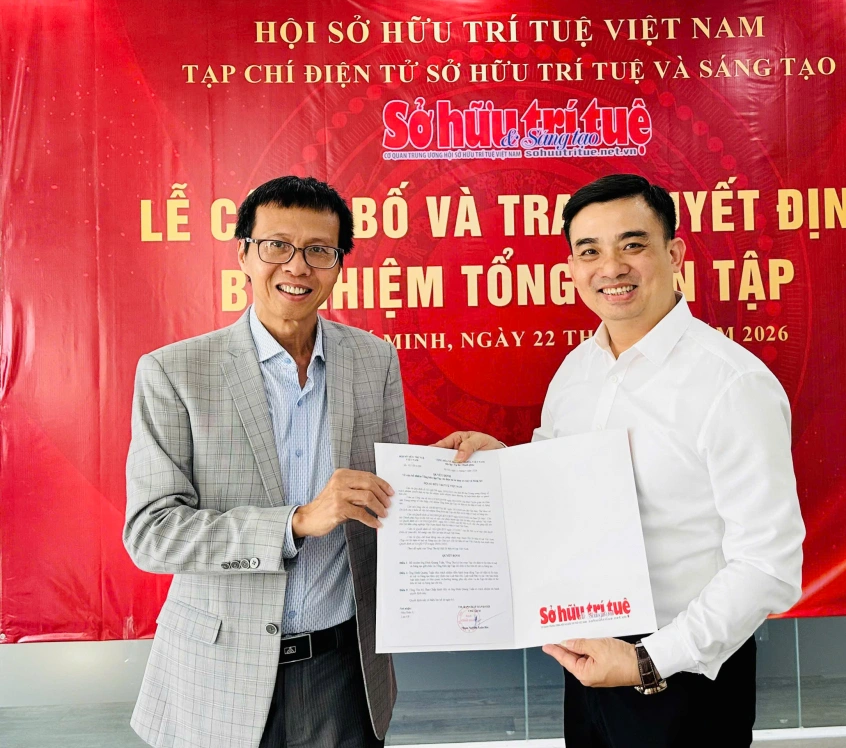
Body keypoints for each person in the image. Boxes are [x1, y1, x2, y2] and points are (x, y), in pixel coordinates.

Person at [435, 174, 806, 747]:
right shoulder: (577, 371)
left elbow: (768, 566)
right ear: (572, 268)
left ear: (674, 254)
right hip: (587, 654)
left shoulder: (732, 384)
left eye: (632, 245)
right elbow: (560, 486)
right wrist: (501, 464)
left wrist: (647, 661)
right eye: (590, 252)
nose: (611, 267)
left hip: (686, 673)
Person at [124, 175, 406, 748]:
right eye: (277, 245)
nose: (297, 266)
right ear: (244, 255)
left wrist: (451, 475)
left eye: (319, 250)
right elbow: (151, 534)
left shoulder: (374, 360)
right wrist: (294, 523)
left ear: (339, 264)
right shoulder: (174, 372)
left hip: (344, 674)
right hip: (218, 678)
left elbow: (388, 501)